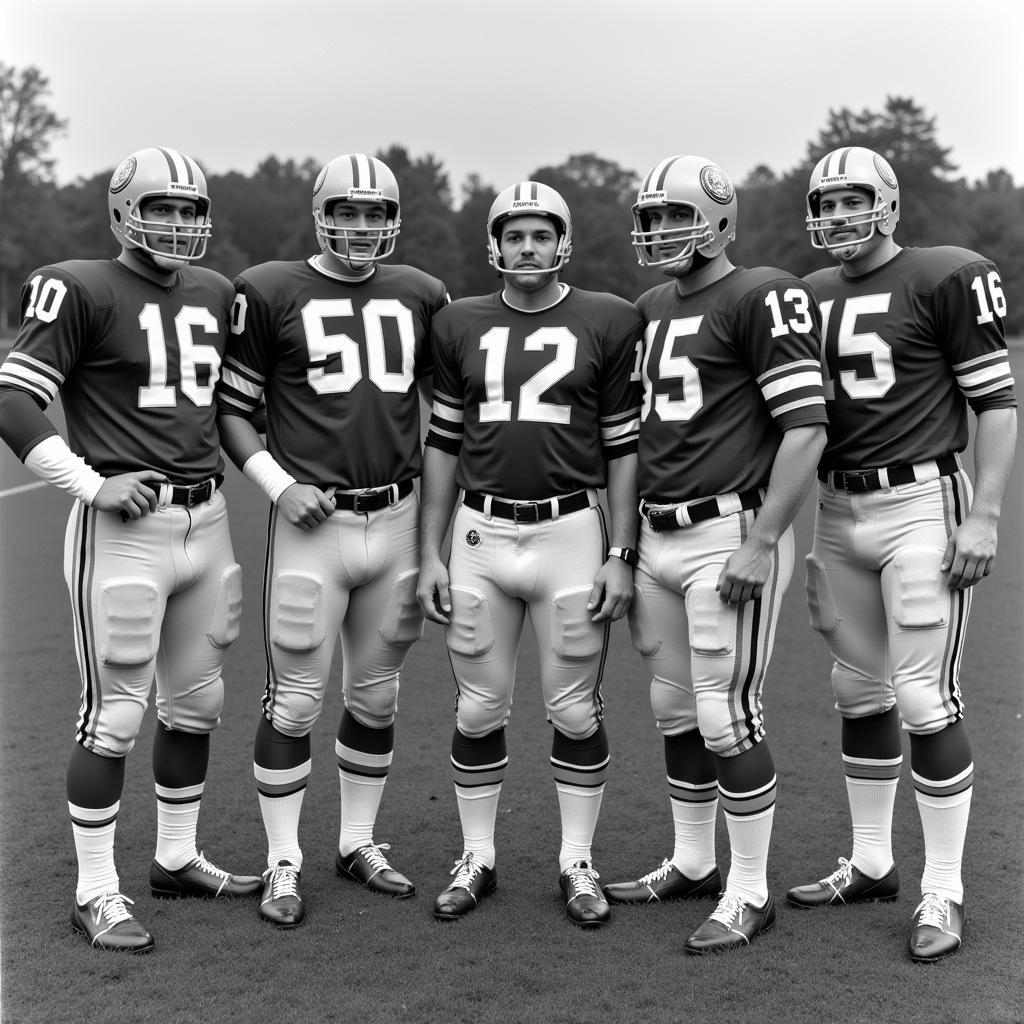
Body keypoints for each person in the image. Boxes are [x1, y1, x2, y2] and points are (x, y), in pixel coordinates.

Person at [0, 147, 261, 954]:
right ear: (122, 211)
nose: (177, 225)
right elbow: (13, 399)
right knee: (111, 715)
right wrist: (89, 483)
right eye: (162, 208)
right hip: (123, 529)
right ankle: (95, 889)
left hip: (206, 519)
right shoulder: (77, 284)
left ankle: (176, 856)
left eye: (189, 210)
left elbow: (232, 406)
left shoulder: (219, 292)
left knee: (197, 704)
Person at [785, 146, 1017, 963]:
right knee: (857, 691)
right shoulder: (807, 294)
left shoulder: (945, 274)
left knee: (925, 697)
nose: (839, 215)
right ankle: (874, 861)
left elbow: (994, 400)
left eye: (853, 200)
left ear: (886, 203)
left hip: (922, 501)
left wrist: (983, 514)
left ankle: (943, 888)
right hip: (838, 506)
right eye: (827, 201)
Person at [216, 153, 449, 929]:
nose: (360, 227)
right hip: (312, 523)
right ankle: (284, 859)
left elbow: (446, 417)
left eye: (374, 214)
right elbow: (233, 412)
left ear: (392, 221)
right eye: (346, 212)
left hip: (399, 517)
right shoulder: (270, 288)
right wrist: (282, 486)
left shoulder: (422, 293)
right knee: (293, 702)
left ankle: (357, 842)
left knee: (376, 697)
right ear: (320, 214)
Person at [602, 156, 827, 954]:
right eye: (653, 218)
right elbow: (627, 441)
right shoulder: (650, 304)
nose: (661, 231)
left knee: (726, 717)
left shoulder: (761, 292)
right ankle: (694, 862)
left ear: (722, 220)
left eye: (677, 215)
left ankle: (749, 889)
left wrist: (764, 540)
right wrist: (624, 547)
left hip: (728, 532)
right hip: (659, 533)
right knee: (673, 710)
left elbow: (806, 428)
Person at [416, 181, 643, 928]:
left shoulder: (609, 318)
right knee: (478, 707)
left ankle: (576, 858)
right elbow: (443, 445)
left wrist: (621, 549)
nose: (527, 248)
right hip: (480, 533)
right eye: (514, 235)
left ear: (563, 242)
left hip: (572, 530)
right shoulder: (457, 324)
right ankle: (477, 855)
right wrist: (432, 551)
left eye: (540, 235)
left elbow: (622, 449)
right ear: (494, 245)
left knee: (573, 709)